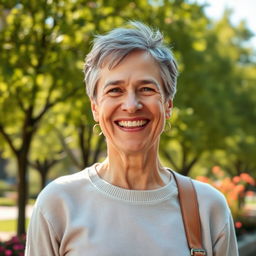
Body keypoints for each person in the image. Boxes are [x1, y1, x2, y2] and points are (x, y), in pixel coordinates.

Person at [25, 21, 238, 256]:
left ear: (168, 106)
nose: (131, 105)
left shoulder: (208, 208)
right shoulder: (58, 204)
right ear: (95, 108)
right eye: (114, 90)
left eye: (146, 89)